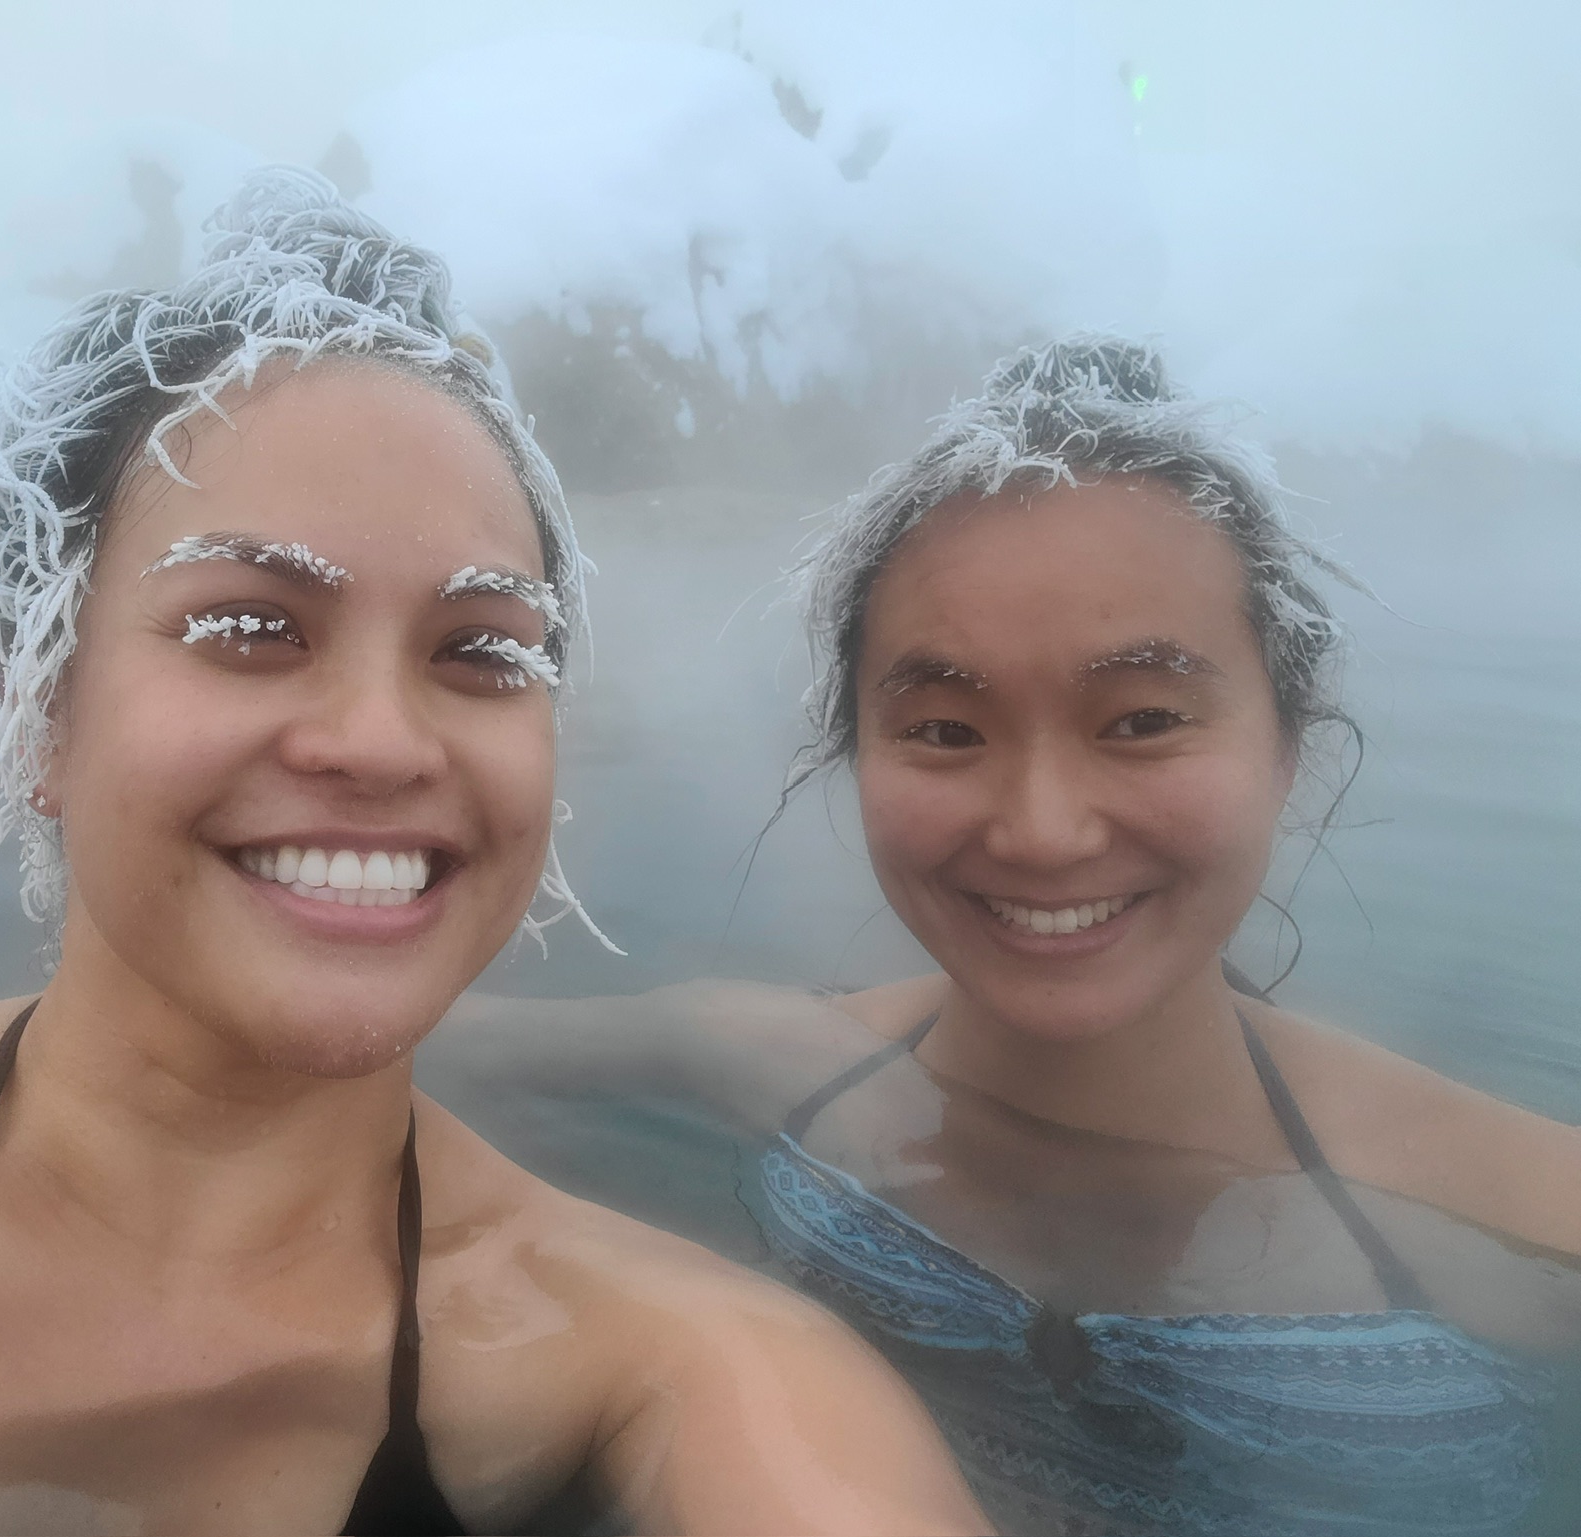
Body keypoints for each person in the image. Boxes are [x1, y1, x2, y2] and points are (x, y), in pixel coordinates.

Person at [0, 171, 987, 1537]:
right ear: (40, 700)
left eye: (481, 652)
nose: (381, 741)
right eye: (249, 626)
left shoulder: (687, 1363)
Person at [427, 337, 1581, 1536]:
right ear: (857, 753)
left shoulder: (1518, 1215)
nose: (1041, 832)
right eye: (944, 730)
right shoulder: (770, 1058)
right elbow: (410, 1056)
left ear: (1286, 747)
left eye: (1139, 719)